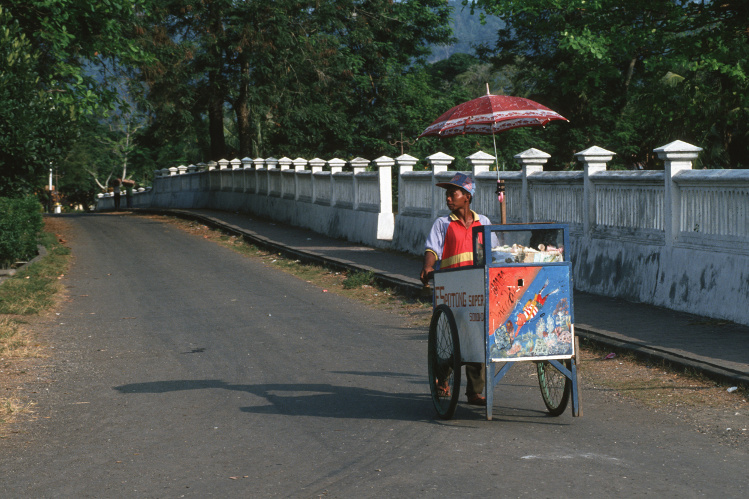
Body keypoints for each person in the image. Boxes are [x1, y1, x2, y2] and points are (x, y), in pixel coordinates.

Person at [420, 172, 489, 406]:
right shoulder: (443, 223)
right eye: (447, 194)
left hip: (477, 288)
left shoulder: (484, 223)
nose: (448, 198)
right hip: (452, 290)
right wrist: (428, 268)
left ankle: (474, 391)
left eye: (453, 193)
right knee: (449, 336)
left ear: (467, 197)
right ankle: (442, 378)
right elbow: (432, 250)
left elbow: (495, 253)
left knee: (478, 336)